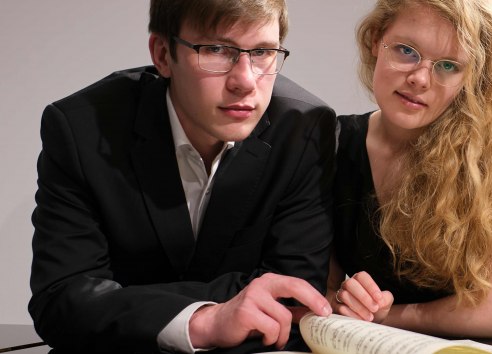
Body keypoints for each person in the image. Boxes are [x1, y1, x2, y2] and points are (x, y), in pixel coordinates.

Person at [28, 1, 336, 353]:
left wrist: (127, 299)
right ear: (162, 54)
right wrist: (203, 320)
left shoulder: (304, 129)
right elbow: (61, 300)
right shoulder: (81, 129)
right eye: (217, 50)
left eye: (263, 52)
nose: (246, 81)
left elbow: (293, 295)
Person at [329, 0, 492, 338]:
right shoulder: (330, 145)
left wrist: (385, 318)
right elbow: (316, 288)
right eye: (406, 50)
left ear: (472, 79)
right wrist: (344, 301)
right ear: (376, 40)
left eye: (449, 66)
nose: (420, 79)